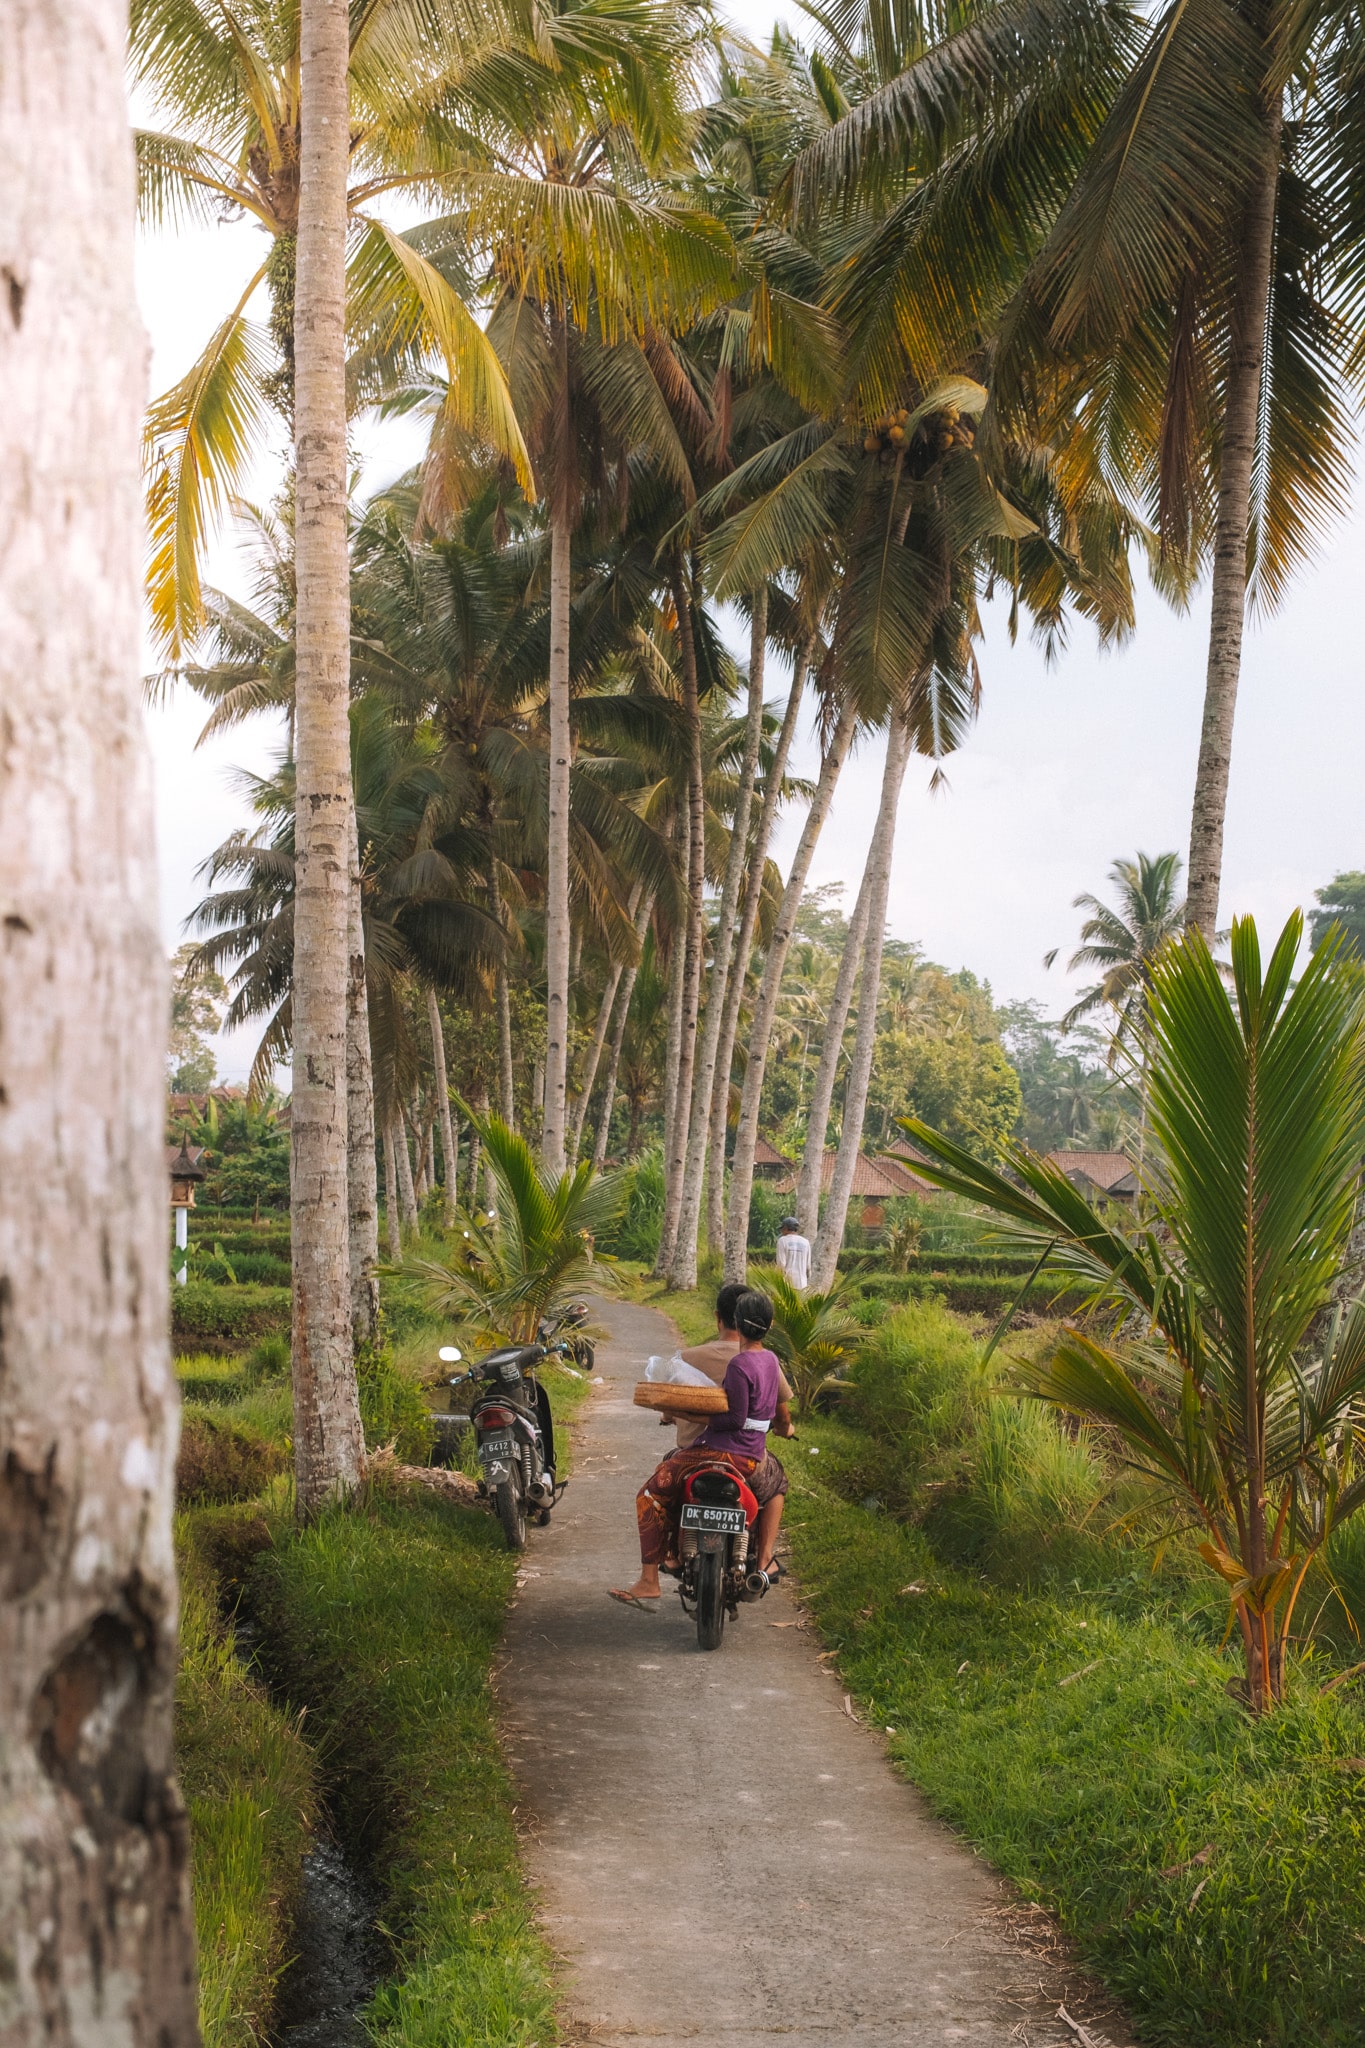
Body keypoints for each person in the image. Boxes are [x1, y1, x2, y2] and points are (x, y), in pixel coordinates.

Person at [609, 1287, 792, 1610]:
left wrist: (688, 1412)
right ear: (770, 1324)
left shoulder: (739, 1364)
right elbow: (770, 1413)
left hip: (719, 1451)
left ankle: (650, 1579)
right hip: (752, 1458)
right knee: (778, 1483)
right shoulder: (771, 1360)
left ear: (730, 1320)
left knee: (649, 1495)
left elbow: (733, 1418)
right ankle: (765, 1560)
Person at [775, 1215, 811, 1291]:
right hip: (802, 1284)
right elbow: (808, 1267)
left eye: (782, 1229)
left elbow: (781, 1265)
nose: (781, 1231)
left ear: (785, 1228)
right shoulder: (805, 1242)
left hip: (787, 1284)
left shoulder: (782, 1240)